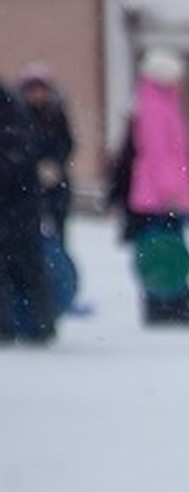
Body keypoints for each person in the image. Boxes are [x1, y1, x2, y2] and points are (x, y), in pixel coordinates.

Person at [107, 48, 189, 326]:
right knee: (162, 249)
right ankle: (166, 304)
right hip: (159, 197)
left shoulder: (158, 104)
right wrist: (169, 190)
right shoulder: (154, 107)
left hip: (161, 194)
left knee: (163, 248)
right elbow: (157, 153)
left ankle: (169, 303)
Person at [0, 77, 56, 345]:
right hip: (21, 207)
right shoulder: (17, 115)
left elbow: (16, 162)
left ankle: (33, 326)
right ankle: (38, 325)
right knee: (28, 269)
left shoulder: (12, 118)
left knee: (26, 268)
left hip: (17, 207)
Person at [16, 65, 73, 243]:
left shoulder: (56, 115)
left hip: (55, 182)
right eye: (32, 90)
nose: (37, 95)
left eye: (41, 89)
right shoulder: (18, 116)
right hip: (25, 183)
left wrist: (55, 164)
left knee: (57, 232)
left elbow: (67, 142)